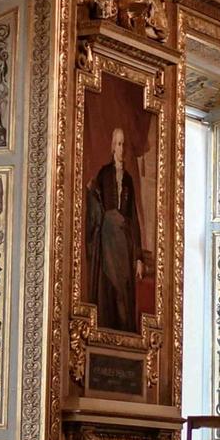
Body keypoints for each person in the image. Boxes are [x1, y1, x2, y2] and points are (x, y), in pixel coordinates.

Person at [86, 127, 144, 332]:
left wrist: (138, 258)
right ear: (112, 147)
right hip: (108, 240)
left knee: (124, 290)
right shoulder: (104, 174)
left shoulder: (128, 179)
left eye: (123, 144)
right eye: (118, 144)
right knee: (109, 286)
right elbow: (96, 205)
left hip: (124, 243)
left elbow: (133, 219)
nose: (121, 148)